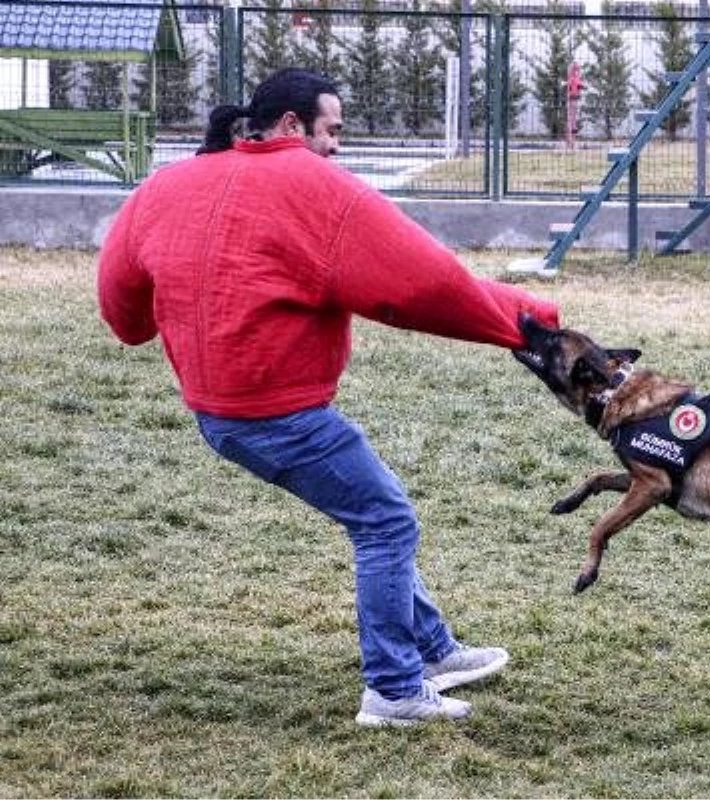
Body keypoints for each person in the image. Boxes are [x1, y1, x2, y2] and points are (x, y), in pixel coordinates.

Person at [97, 68, 560, 727]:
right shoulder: (310, 186)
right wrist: (530, 320)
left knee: (371, 510)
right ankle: (395, 691)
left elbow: (120, 298)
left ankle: (432, 649)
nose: (338, 146)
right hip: (277, 415)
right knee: (386, 520)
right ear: (292, 126)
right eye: (333, 130)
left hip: (217, 414)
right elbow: (424, 284)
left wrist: (144, 325)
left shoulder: (169, 183)